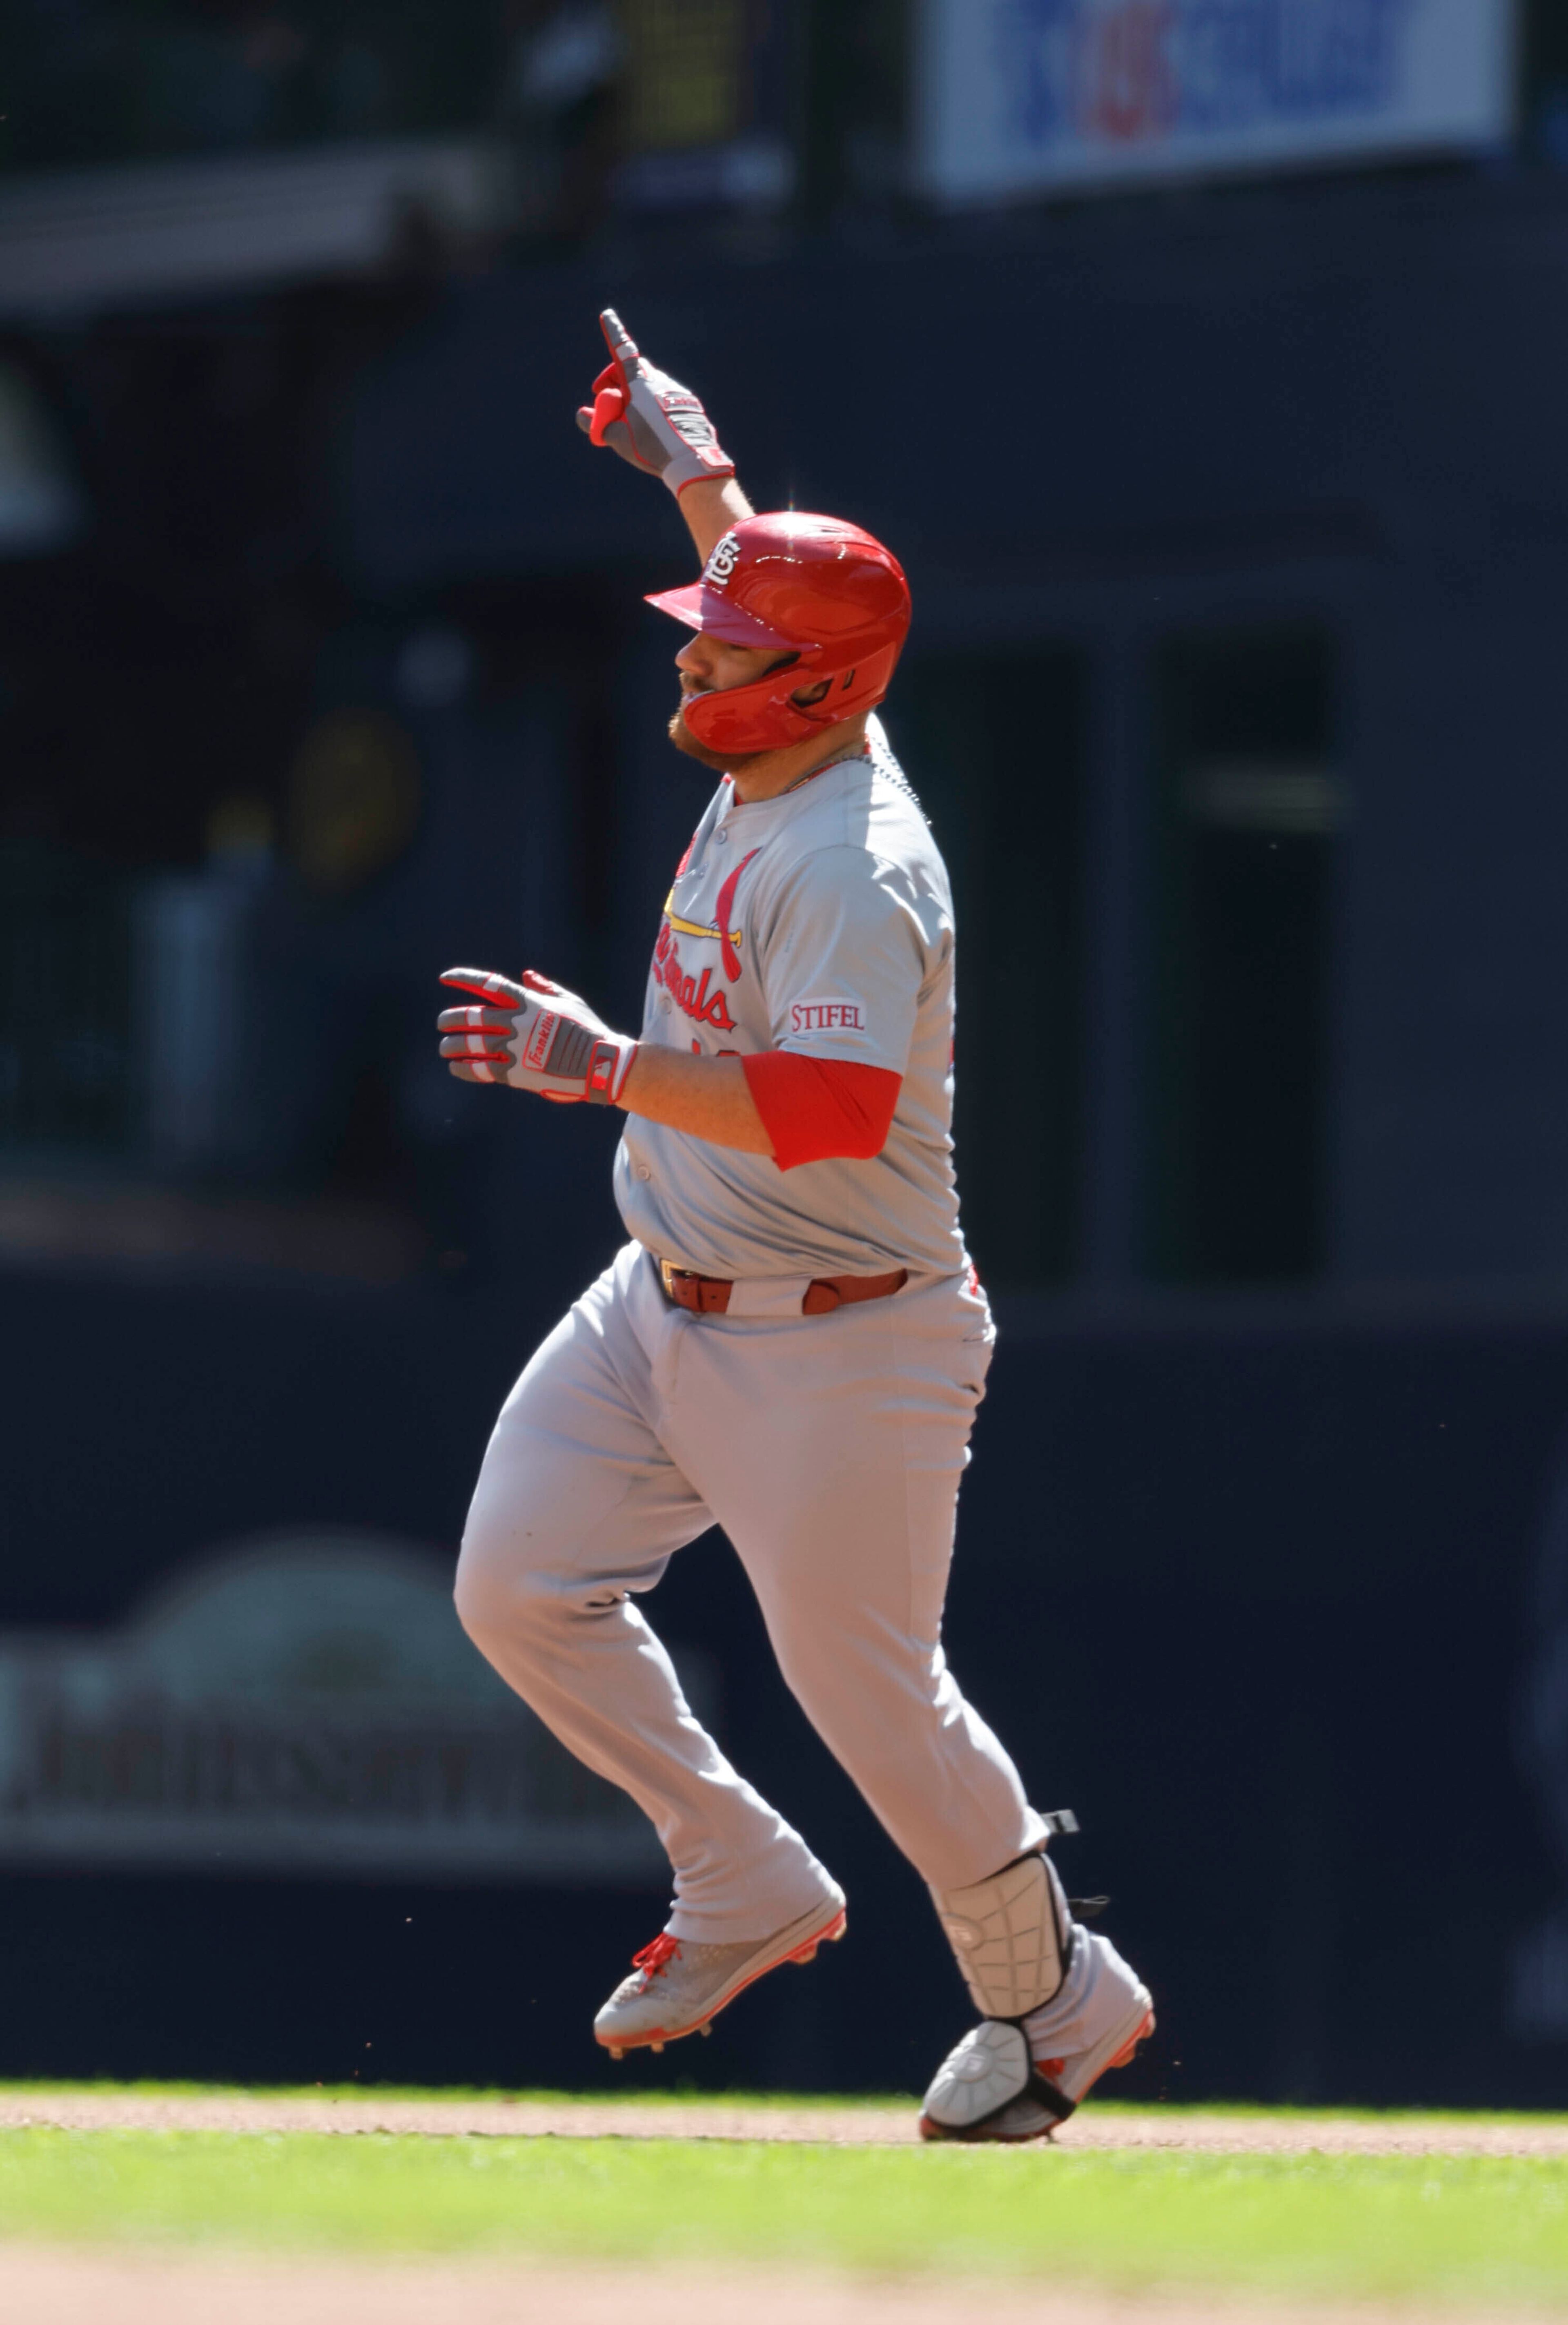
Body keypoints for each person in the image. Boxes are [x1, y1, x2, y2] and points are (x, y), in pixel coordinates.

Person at [438, 311, 1154, 2141]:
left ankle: (1054, 1997)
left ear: (819, 691)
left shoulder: (852, 864)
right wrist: (692, 462)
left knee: (876, 1701)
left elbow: (832, 1121)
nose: (707, 654)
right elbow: (769, 584)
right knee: (517, 1580)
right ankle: (740, 1867)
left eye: (739, 646)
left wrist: (606, 1069)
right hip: (664, 1294)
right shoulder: (805, 720)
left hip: (846, 1329)